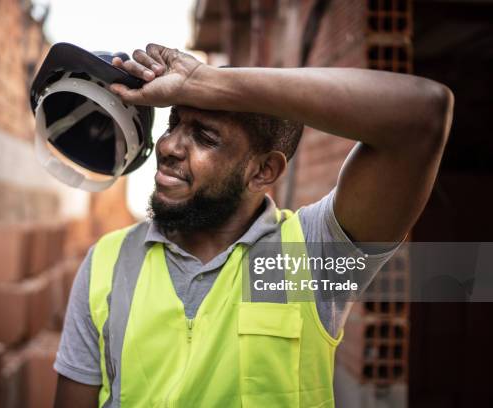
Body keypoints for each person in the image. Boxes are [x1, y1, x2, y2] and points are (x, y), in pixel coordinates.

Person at [53, 44, 453, 407]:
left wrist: (204, 81)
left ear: (263, 171)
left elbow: (424, 114)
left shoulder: (311, 256)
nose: (170, 146)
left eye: (204, 137)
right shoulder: (107, 261)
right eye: (174, 123)